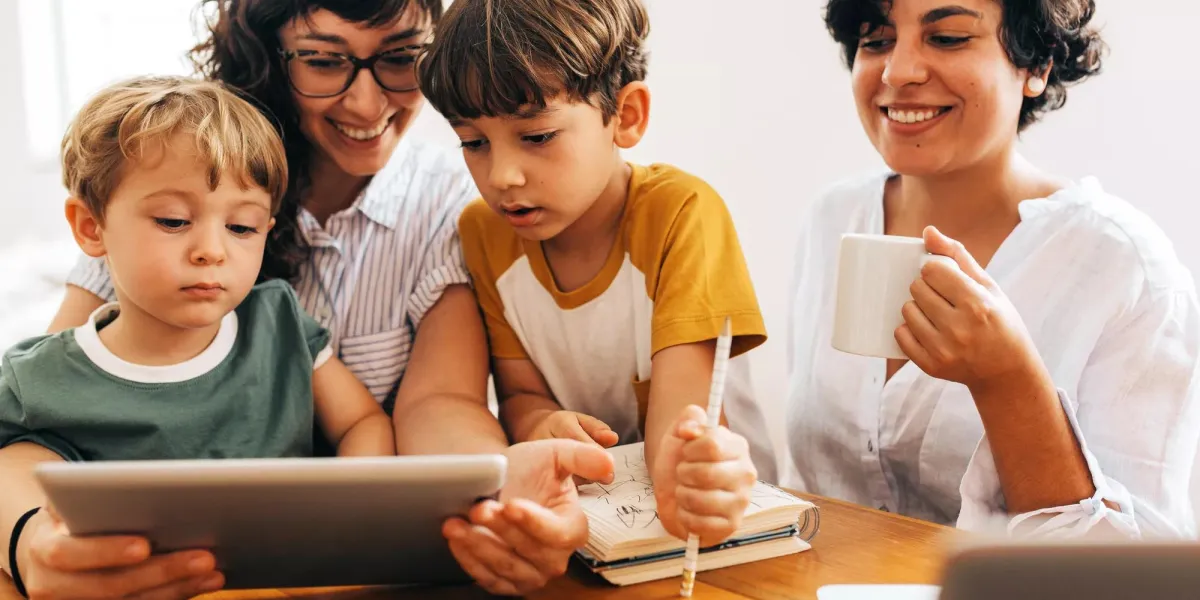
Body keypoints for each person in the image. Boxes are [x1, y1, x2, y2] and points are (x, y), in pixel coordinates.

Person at [38, 0, 617, 596]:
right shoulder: (177, 163)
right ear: (268, 51)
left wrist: (494, 497)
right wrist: (30, 541)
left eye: (401, 57)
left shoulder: (456, 204)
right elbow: (52, 407)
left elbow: (438, 403)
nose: (367, 104)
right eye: (321, 60)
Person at [786, 0, 1200, 538]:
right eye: (876, 39)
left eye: (949, 38)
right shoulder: (831, 219)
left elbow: (1135, 575)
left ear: (1036, 66)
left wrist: (1009, 382)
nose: (897, 71)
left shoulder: (1124, 266)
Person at [0, 75, 395, 598]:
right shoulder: (38, 378)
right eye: (173, 220)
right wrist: (29, 540)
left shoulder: (277, 321)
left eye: (242, 228)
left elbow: (362, 422)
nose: (212, 250)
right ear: (91, 227)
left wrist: (348, 512)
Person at [418, 0, 772, 546]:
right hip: (591, 528)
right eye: (473, 142)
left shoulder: (682, 215)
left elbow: (684, 426)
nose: (503, 175)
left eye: (536, 136)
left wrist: (688, 496)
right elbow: (519, 394)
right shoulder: (484, 233)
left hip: (720, 526)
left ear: (625, 116)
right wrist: (540, 424)